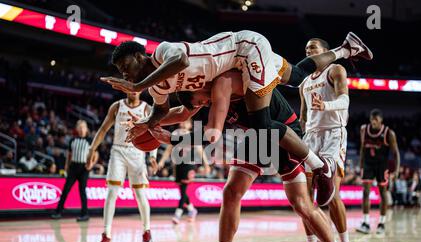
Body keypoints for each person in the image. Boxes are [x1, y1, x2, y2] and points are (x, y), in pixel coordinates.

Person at [102, 30, 373, 207]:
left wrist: (138, 88)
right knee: (299, 78)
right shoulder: (158, 87)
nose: (126, 76)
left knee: (262, 128)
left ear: (140, 56)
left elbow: (181, 62)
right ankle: (346, 49)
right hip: (240, 62)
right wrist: (148, 124)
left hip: (245, 50)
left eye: (127, 68)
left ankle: (320, 167)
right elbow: (169, 112)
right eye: (123, 74)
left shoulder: (162, 52)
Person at [143, 69, 354, 242]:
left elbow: (210, 134)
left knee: (301, 204)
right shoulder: (213, 99)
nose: (203, 105)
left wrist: (174, 139)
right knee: (231, 191)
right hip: (256, 138)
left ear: (200, 88)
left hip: (284, 134)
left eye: (200, 101)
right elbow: (191, 118)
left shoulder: (227, 82)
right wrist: (148, 123)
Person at [298, 37, 357, 242]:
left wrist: (327, 107)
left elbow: (345, 99)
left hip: (333, 134)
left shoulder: (335, 69)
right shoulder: (304, 82)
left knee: (332, 195)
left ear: (326, 51)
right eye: (306, 48)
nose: (308, 51)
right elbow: (303, 116)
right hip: (311, 137)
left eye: (313, 47)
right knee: (304, 199)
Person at [86, 92, 158, 242]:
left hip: (137, 153)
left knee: (140, 194)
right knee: (112, 192)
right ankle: (106, 235)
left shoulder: (146, 108)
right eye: (129, 84)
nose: (133, 89)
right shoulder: (117, 106)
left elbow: (154, 132)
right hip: (118, 151)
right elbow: (104, 129)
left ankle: (147, 232)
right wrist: (92, 148)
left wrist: (152, 155)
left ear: (141, 88)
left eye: (136, 85)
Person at [157, 120, 211, 224]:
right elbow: (169, 149)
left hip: (189, 164)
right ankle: (192, 209)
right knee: (182, 190)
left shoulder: (193, 136)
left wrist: (206, 165)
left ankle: (178, 214)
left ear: (190, 125)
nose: (183, 123)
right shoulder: (175, 135)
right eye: (182, 122)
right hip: (177, 165)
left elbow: (200, 151)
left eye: (186, 122)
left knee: (183, 190)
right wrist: (162, 161)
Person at [356, 109, 400, 235]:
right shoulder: (364, 129)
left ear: (381, 120)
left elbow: (396, 153)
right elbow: (362, 149)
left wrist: (396, 170)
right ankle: (365, 223)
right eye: (371, 119)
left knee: (383, 193)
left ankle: (381, 223)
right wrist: (361, 166)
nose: (373, 122)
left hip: (382, 165)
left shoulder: (388, 133)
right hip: (368, 164)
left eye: (376, 120)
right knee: (365, 192)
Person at [51, 120, 97, 221]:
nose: (81, 129)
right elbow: (69, 155)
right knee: (65, 190)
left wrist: (91, 164)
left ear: (86, 129)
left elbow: (96, 154)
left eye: (83, 127)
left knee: (82, 191)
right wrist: (66, 167)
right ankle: (58, 212)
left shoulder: (90, 141)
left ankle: (85, 214)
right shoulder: (72, 140)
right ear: (76, 129)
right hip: (73, 167)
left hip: (84, 168)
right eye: (79, 127)